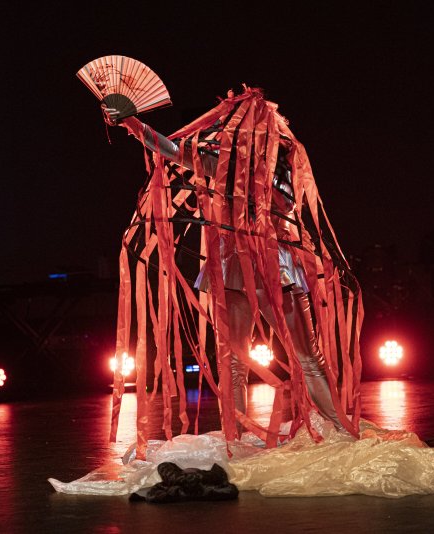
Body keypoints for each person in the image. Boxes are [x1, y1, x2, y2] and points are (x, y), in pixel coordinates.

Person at [104, 87, 362, 449]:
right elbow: (173, 150)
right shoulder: (219, 166)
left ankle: (338, 430)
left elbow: (283, 203)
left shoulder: (281, 167)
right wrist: (131, 122)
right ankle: (237, 438)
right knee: (233, 361)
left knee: (307, 355)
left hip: (275, 267)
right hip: (230, 267)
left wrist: (256, 172)